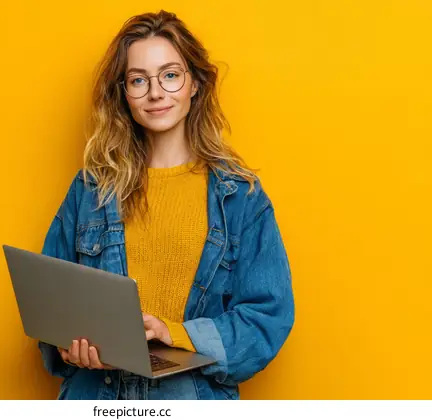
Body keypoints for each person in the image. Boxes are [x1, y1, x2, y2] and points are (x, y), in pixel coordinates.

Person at [38, 10, 294, 400]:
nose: (155, 92)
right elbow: (49, 303)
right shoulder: (90, 189)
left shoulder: (240, 197)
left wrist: (173, 333)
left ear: (195, 83)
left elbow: (266, 320)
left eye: (170, 75)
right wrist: (67, 346)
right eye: (138, 80)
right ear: (123, 93)